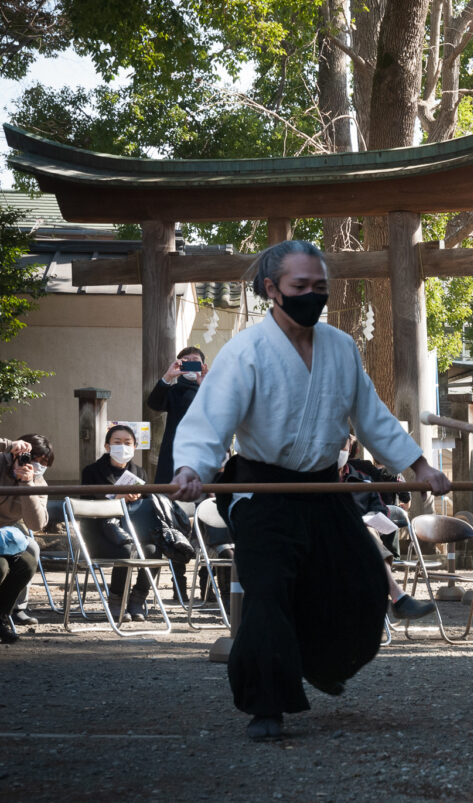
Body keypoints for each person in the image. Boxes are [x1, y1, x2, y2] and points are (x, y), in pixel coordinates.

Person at [169, 239, 450, 743]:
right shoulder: (246, 352)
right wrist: (192, 467)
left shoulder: (341, 347)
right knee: (270, 592)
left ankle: (318, 663)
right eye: (300, 286)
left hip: (323, 490)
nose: (312, 295)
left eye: (320, 287)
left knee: (364, 584)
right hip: (264, 492)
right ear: (271, 289)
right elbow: (210, 418)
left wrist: (419, 464)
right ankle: (266, 705)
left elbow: (372, 416)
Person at [339, 434, 433, 621]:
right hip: (328, 543)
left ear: (350, 448)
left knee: (365, 531)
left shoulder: (362, 478)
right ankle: (398, 597)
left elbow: (380, 509)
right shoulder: (312, 481)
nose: (337, 450)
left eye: (342, 445)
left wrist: (370, 519)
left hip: (363, 546)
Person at [80, 424, 155, 622]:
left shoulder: (139, 472)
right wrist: (115, 498)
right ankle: (116, 600)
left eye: (128, 443)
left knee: (154, 549)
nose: (123, 447)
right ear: (107, 446)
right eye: (117, 442)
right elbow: (86, 504)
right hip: (99, 533)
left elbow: (147, 505)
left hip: (134, 530)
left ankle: (137, 599)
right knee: (126, 551)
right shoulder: (92, 471)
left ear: (135, 446)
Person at [0, 435, 53, 642]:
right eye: (32, 459)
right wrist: (8, 445)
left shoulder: (38, 482)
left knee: (28, 561)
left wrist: (28, 485)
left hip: (4, 535)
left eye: (43, 464)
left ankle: (2, 617)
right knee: (1, 567)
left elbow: (36, 524)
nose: (36, 466)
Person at [147, 345, 207, 483]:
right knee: (169, 495)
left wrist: (206, 386)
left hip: (201, 451)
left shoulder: (209, 390)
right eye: (186, 361)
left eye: (195, 361)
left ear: (203, 366)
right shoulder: (173, 391)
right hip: (174, 451)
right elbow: (154, 404)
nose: (190, 364)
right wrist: (168, 376)